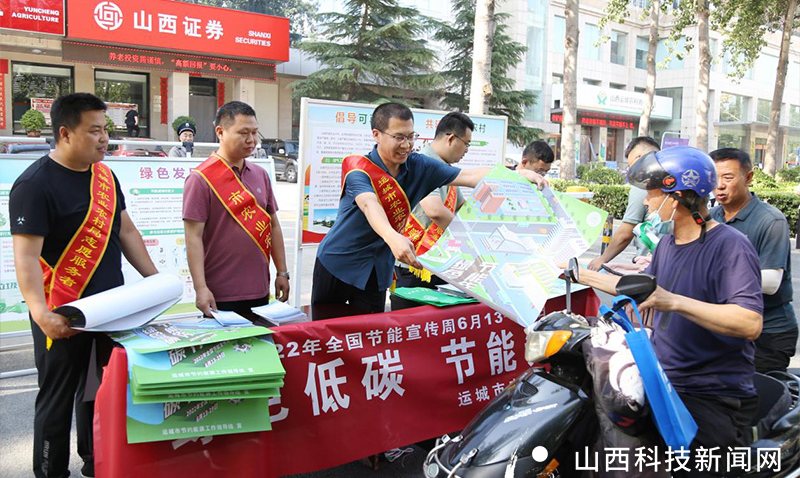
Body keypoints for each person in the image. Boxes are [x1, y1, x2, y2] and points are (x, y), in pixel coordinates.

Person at [576, 146, 763, 478]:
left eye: (652, 194)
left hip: (710, 393)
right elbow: (645, 296)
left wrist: (674, 301)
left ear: (677, 197)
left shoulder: (729, 245)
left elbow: (749, 322)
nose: (647, 202)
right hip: (665, 386)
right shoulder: (667, 245)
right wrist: (584, 279)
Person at [10, 93, 158, 478]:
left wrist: (155, 283)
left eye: (106, 129)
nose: (104, 138)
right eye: (95, 130)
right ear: (65, 133)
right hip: (62, 312)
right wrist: (41, 312)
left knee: (102, 389)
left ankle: (95, 458)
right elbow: (25, 258)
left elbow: (126, 231)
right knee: (58, 395)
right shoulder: (34, 185)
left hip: (112, 309)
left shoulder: (104, 176)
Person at [312, 102, 547, 314]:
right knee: (325, 334)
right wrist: (392, 237)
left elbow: (468, 176)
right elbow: (368, 204)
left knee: (369, 336)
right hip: (338, 263)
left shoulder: (420, 166)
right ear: (377, 135)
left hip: (376, 270)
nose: (406, 145)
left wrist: (517, 175)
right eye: (399, 137)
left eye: (410, 136)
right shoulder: (358, 167)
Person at [183, 101, 290, 320]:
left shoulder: (260, 175)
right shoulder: (200, 179)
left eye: (255, 132)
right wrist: (200, 288)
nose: (251, 140)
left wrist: (282, 272)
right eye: (243, 133)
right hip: (220, 294)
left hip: (260, 290)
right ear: (220, 132)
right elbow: (193, 238)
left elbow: (273, 225)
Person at [710, 148, 797, 373]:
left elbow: (770, 282)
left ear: (748, 178)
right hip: (726, 327)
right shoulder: (712, 217)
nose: (719, 185)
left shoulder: (770, 220)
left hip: (768, 333)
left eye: (728, 177)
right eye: (714, 178)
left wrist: (710, 276)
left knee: (760, 392)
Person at [390, 111, 472, 310]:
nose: (467, 150)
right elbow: (434, 210)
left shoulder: (445, 168)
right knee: (412, 323)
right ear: (451, 139)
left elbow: (461, 206)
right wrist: (469, 239)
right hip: (414, 264)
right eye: (467, 144)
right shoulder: (423, 162)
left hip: (437, 262)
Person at [588, 136, 661, 271]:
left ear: (640, 158)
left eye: (631, 165)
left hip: (650, 267)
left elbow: (625, 233)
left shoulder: (643, 184)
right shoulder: (668, 182)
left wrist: (602, 259)